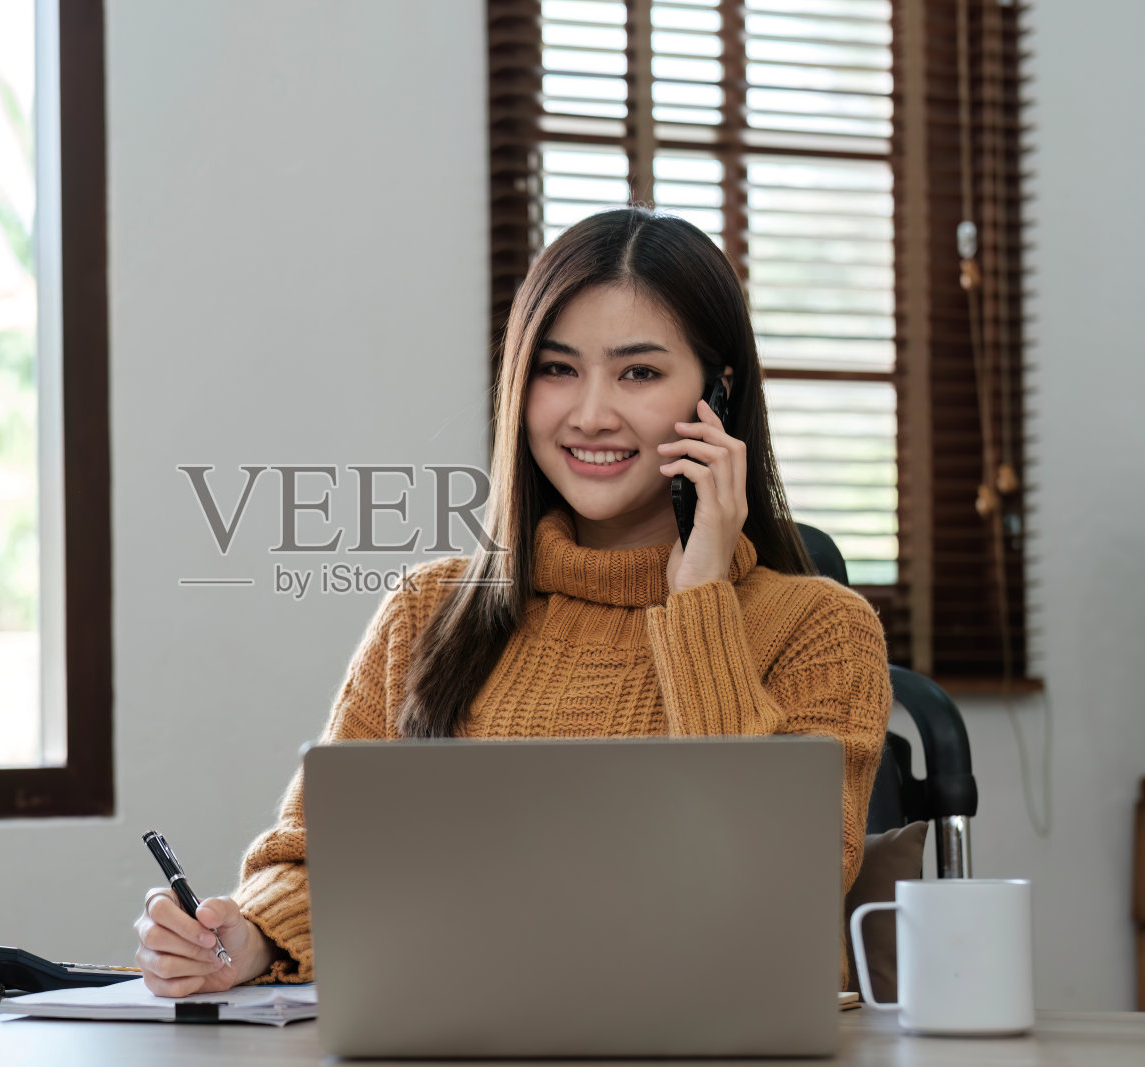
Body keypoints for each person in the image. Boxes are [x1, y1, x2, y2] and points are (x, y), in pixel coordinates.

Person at [132, 207, 892, 996]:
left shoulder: (824, 629)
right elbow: (325, 859)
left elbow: (777, 885)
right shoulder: (427, 610)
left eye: (639, 372)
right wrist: (249, 937)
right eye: (557, 369)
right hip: (458, 1036)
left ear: (719, 397)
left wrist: (700, 598)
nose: (590, 412)